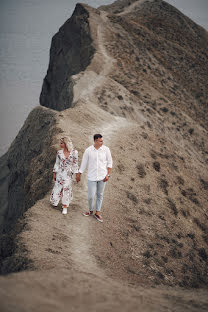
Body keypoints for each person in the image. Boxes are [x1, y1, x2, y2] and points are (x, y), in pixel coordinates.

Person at [76, 134, 112, 222]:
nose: (102, 142)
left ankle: (97, 213)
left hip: (102, 177)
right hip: (92, 177)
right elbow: (84, 163)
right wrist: (79, 174)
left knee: (100, 195)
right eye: (100, 141)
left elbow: (110, 162)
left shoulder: (106, 150)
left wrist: (107, 175)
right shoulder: (88, 151)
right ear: (95, 141)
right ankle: (90, 210)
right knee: (91, 196)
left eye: (102, 141)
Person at [50, 136, 78, 215]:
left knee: (66, 189)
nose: (60, 144)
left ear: (66, 143)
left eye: (62, 143)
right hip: (60, 174)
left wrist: (76, 174)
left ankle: (65, 206)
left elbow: (75, 164)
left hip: (69, 174)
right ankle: (55, 201)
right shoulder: (59, 152)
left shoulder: (74, 152)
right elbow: (57, 163)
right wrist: (54, 173)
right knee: (58, 187)